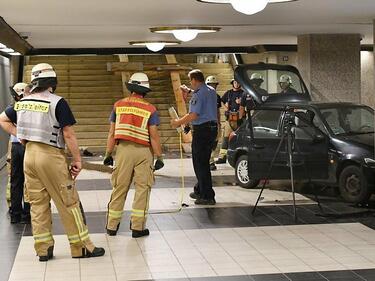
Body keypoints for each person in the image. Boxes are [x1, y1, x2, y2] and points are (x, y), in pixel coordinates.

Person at [0, 63, 105, 261]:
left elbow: (3, 119)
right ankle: (81, 247)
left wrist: (20, 134)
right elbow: (68, 134)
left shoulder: (22, 102)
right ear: (52, 82)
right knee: (68, 201)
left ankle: (43, 249)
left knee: (37, 204)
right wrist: (77, 159)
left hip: (29, 156)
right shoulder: (57, 102)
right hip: (50, 156)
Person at [104, 72, 164, 238]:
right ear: (145, 91)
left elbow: (111, 132)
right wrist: (159, 156)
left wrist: (108, 153)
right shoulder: (150, 109)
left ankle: (111, 226)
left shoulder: (118, 105)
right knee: (142, 189)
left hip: (123, 151)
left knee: (119, 187)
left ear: (131, 89)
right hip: (144, 153)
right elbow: (154, 136)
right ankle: (138, 227)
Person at [171, 69, 218, 205]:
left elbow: (194, 115)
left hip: (202, 131)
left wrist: (178, 122)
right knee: (203, 161)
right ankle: (200, 190)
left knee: (200, 163)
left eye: (190, 80)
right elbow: (201, 95)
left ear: (195, 80)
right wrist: (189, 92)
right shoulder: (210, 90)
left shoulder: (198, 95)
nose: (190, 83)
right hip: (211, 129)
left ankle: (207, 195)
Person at [7, 83, 31, 224]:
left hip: (16, 146)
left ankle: (15, 214)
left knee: (16, 180)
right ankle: (28, 213)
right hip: (28, 145)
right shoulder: (31, 107)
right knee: (29, 179)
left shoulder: (12, 109)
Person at [216, 79, 243, 164]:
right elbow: (221, 101)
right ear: (232, 84)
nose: (237, 84)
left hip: (240, 120)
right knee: (226, 139)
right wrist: (225, 108)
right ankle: (222, 157)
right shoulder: (228, 93)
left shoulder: (244, 94)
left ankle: (238, 158)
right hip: (229, 120)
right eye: (235, 82)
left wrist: (241, 102)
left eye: (238, 82)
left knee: (240, 139)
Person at [205, 75, 222, 171]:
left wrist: (219, 122)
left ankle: (210, 159)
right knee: (208, 143)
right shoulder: (204, 96)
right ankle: (210, 161)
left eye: (214, 85)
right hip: (206, 123)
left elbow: (217, 110)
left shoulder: (217, 97)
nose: (213, 86)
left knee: (215, 142)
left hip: (215, 122)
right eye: (211, 85)